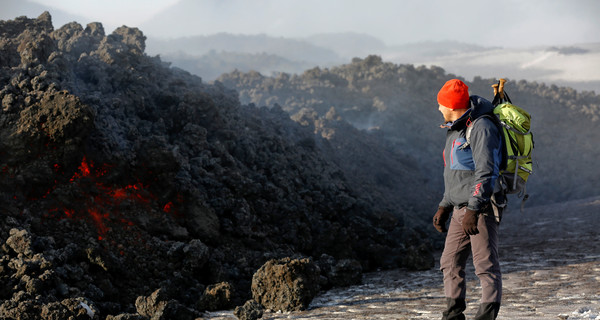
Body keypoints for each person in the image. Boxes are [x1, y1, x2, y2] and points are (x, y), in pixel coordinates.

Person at [433, 79, 505, 320]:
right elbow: (456, 172)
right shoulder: (456, 128)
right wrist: (445, 204)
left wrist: (474, 208)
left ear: (451, 106)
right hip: (459, 208)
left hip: (481, 207)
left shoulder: (482, 127)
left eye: (441, 105)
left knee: (485, 265)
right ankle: (453, 316)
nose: (439, 109)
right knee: (449, 261)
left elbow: (487, 171)